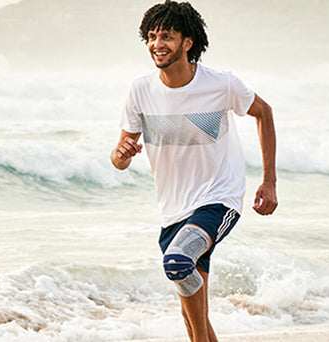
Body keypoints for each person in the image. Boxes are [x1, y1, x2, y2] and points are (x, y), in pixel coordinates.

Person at [109, 1, 277, 341]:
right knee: (192, 315)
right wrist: (120, 154)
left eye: (167, 36)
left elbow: (264, 112)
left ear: (188, 42)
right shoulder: (140, 91)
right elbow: (121, 156)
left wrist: (269, 181)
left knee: (177, 262)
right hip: (172, 210)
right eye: (153, 36)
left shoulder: (221, 84)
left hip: (219, 197)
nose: (158, 44)